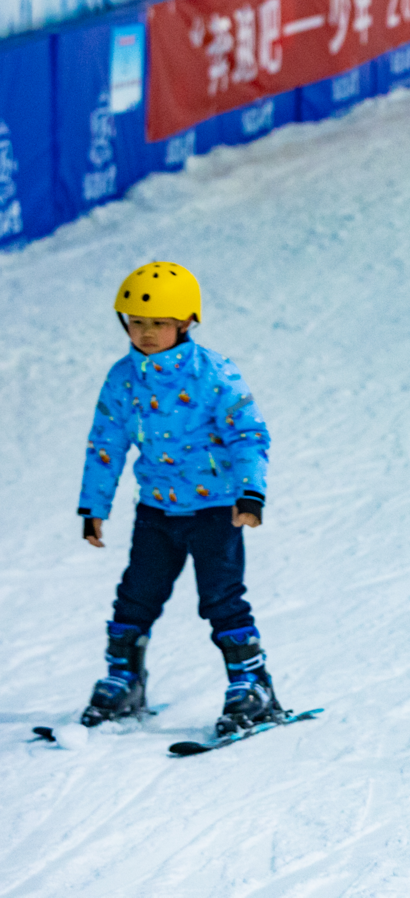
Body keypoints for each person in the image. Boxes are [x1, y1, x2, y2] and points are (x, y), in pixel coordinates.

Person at [77, 262, 282, 736]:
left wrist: (251, 493)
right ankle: (124, 679)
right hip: (156, 508)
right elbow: (105, 442)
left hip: (216, 509)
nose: (146, 333)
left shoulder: (213, 373)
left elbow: (249, 434)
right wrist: (94, 507)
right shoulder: (122, 377)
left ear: (186, 322)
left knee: (221, 598)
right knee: (135, 596)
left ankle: (252, 686)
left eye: (159, 323)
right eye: (136, 322)